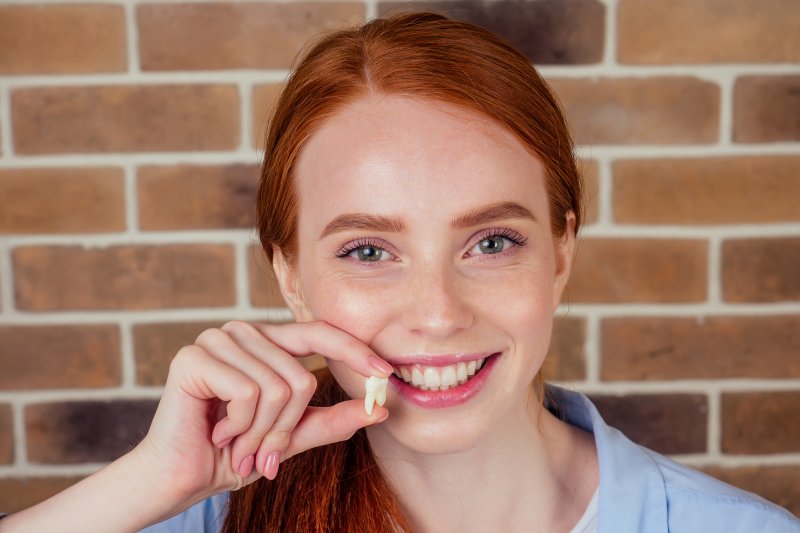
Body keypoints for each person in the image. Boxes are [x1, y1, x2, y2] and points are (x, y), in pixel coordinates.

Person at [0, 11, 798, 533]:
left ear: (561, 252)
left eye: (490, 242)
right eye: (368, 251)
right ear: (289, 273)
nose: (437, 313)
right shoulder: (206, 512)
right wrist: (150, 481)